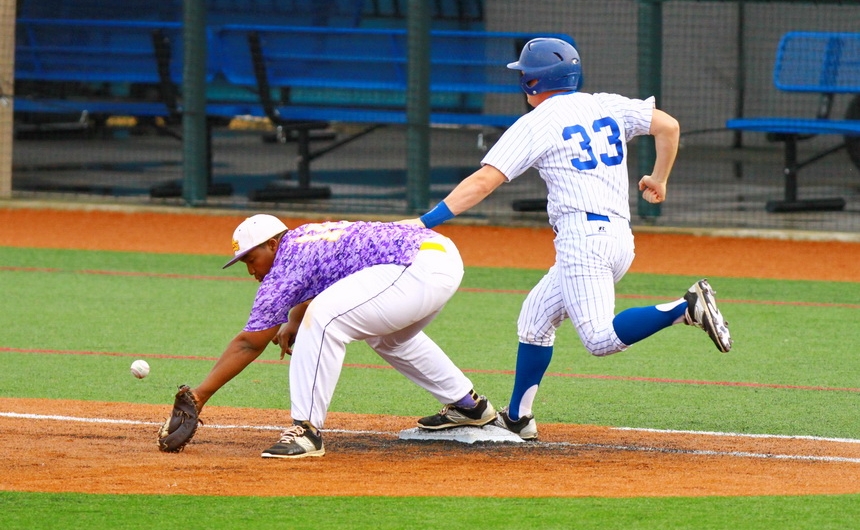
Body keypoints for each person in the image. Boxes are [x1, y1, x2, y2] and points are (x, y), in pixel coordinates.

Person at [401, 38, 732, 440]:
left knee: (600, 339)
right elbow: (668, 125)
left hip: (584, 239)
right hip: (617, 239)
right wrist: (658, 178)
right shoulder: (605, 103)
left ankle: (684, 307)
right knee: (535, 321)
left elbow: (485, 180)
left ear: (531, 83)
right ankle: (519, 419)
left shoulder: (536, 123)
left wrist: (425, 222)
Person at [181, 214, 497, 458]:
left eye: (251, 259)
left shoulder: (281, 269)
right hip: (438, 255)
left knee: (324, 320)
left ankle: (306, 431)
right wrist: (294, 318)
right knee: (387, 337)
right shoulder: (304, 237)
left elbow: (250, 342)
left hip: (414, 267)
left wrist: (200, 395)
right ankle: (468, 405)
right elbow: (333, 276)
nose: (251, 271)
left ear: (273, 245)